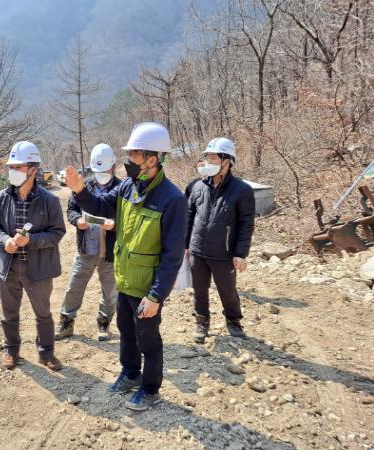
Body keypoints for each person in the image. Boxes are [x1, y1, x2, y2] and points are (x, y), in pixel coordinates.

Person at [64, 122, 187, 411]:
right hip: (125, 278)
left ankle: (150, 389)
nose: (128, 160)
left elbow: (173, 255)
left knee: (148, 339)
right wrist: (80, 190)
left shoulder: (172, 199)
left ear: (152, 159)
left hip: (147, 286)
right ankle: (131, 374)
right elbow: (100, 206)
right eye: (129, 153)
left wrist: (156, 296)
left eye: (134, 154)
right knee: (126, 332)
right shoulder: (128, 187)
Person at [0, 141, 66, 371]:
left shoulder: (49, 200)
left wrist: (31, 240)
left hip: (38, 267)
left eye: (18, 167)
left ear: (33, 169)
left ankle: (46, 353)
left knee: (43, 313)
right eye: (11, 167)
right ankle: (11, 350)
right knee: (9, 312)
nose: (13, 171)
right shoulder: (1, 198)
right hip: (8, 266)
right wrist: (5, 241)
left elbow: (57, 232)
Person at [185, 137, 255, 344]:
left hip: (224, 253)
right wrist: (185, 245)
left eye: (214, 158)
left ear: (227, 161)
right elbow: (188, 216)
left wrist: (240, 253)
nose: (209, 162)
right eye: (207, 158)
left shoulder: (242, 190)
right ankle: (201, 321)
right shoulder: (197, 186)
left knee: (227, 290)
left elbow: (246, 224)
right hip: (197, 251)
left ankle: (233, 320)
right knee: (199, 290)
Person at [55, 144, 121, 341]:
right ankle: (66, 322)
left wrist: (114, 224)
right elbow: (71, 210)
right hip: (86, 248)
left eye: (105, 171)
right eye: (97, 171)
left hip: (110, 251)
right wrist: (77, 221)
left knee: (110, 290)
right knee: (74, 286)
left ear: (114, 166)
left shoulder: (122, 188)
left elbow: (129, 218)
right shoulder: (84, 186)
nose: (102, 175)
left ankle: (104, 323)